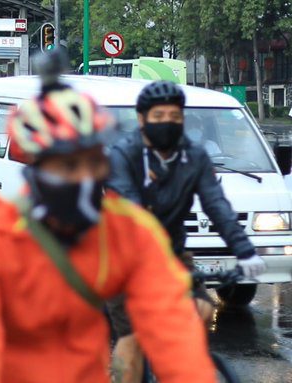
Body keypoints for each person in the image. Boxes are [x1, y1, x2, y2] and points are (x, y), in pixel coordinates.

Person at [0, 70, 218, 383]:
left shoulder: (127, 230)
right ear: (35, 165)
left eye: (91, 162)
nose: (80, 177)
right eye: (64, 166)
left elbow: (173, 330)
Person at [106, 80, 266, 383]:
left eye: (175, 117)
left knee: (201, 310)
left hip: (174, 255)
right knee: (133, 336)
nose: (168, 123)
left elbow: (216, 205)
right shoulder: (123, 156)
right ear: (142, 120)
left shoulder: (195, 157)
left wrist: (244, 250)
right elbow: (132, 211)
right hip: (126, 260)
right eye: (159, 116)